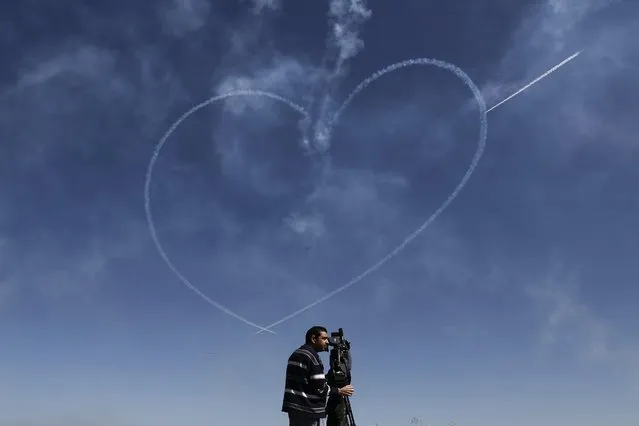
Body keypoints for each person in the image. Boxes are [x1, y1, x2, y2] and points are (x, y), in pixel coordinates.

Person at [282, 326, 355, 426]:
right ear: (313, 338)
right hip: (309, 411)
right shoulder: (313, 357)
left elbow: (308, 382)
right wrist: (339, 391)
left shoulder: (296, 354)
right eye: (324, 338)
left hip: (295, 409)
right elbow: (320, 388)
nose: (327, 342)